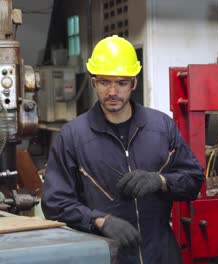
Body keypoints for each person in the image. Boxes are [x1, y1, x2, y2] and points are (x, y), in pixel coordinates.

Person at [41, 35, 204, 264]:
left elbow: (194, 180)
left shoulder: (161, 127)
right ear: (93, 82)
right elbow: (55, 203)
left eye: (121, 82)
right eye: (104, 82)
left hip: (161, 253)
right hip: (106, 256)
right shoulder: (72, 137)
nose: (112, 92)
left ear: (134, 83)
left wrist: (161, 181)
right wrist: (99, 221)